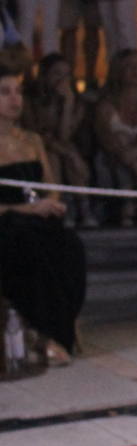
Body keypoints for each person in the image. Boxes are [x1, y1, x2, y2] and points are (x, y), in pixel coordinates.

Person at [0, 54, 87, 368]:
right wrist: (27, 208)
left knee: (71, 248)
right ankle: (44, 336)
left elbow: (51, 184)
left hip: (37, 221)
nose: (14, 99)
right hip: (7, 223)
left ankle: (61, 332)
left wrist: (50, 203)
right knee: (30, 248)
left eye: (18, 92)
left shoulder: (32, 141)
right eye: (5, 92)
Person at [92, 49, 137, 228]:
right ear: (118, 72)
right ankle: (133, 206)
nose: (136, 71)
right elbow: (106, 139)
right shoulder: (105, 105)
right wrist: (127, 154)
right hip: (114, 157)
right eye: (129, 67)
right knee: (122, 136)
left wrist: (134, 153)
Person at [23, 53, 94, 227]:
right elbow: (34, 135)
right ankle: (62, 207)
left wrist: (68, 104)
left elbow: (64, 136)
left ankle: (82, 208)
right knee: (53, 156)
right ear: (44, 75)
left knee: (61, 154)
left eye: (66, 74)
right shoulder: (29, 100)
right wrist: (69, 154)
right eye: (56, 74)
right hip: (36, 148)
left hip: (65, 147)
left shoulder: (78, 103)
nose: (62, 80)